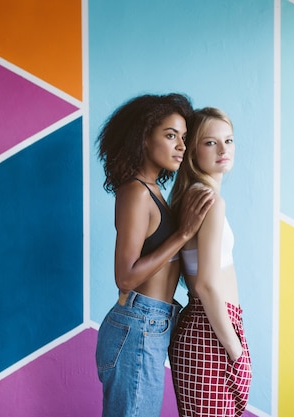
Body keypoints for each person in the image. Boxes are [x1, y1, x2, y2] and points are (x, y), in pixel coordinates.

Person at [95, 93, 215, 417]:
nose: (180, 145)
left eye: (184, 138)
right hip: (138, 326)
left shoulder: (155, 190)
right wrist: (183, 234)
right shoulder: (136, 191)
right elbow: (125, 277)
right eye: (170, 135)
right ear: (144, 138)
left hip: (151, 324)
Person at [169, 107, 252, 417]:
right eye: (210, 143)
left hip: (204, 327)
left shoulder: (192, 196)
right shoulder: (211, 201)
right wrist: (235, 350)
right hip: (212, 328)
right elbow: (205, 284)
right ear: (192, 151)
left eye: (228, 140)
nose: (223, 150)